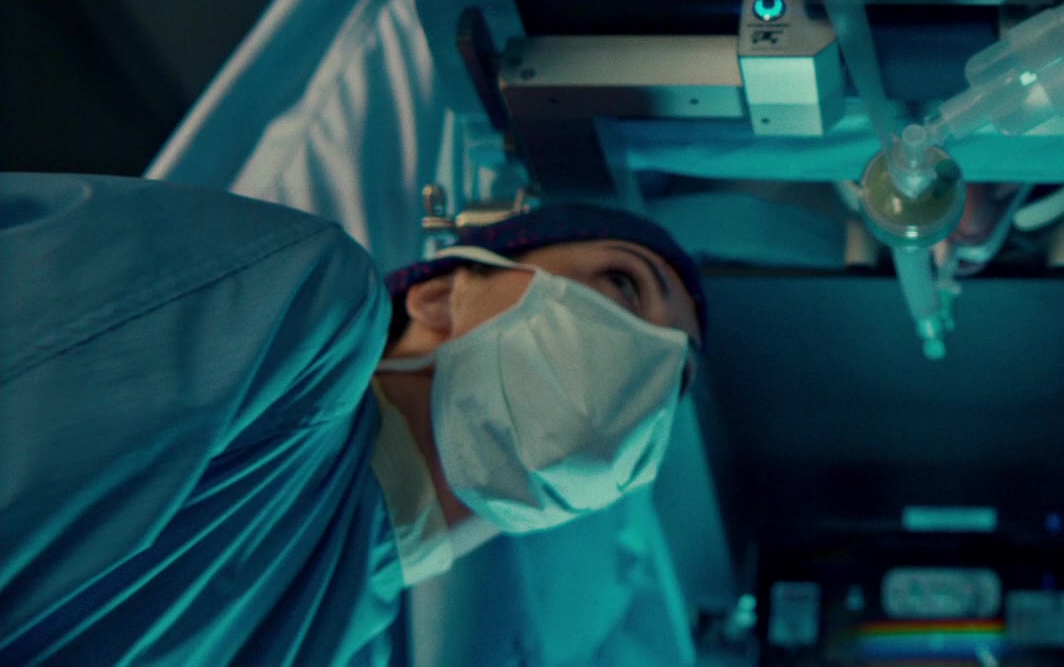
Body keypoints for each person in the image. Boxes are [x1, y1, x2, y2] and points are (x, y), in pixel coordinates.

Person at [0, 172, 704, 664]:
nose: (649, 362)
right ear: (439, 297)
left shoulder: (354, 638)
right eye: (623, 283)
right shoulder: (294, 311)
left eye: (676, 379)